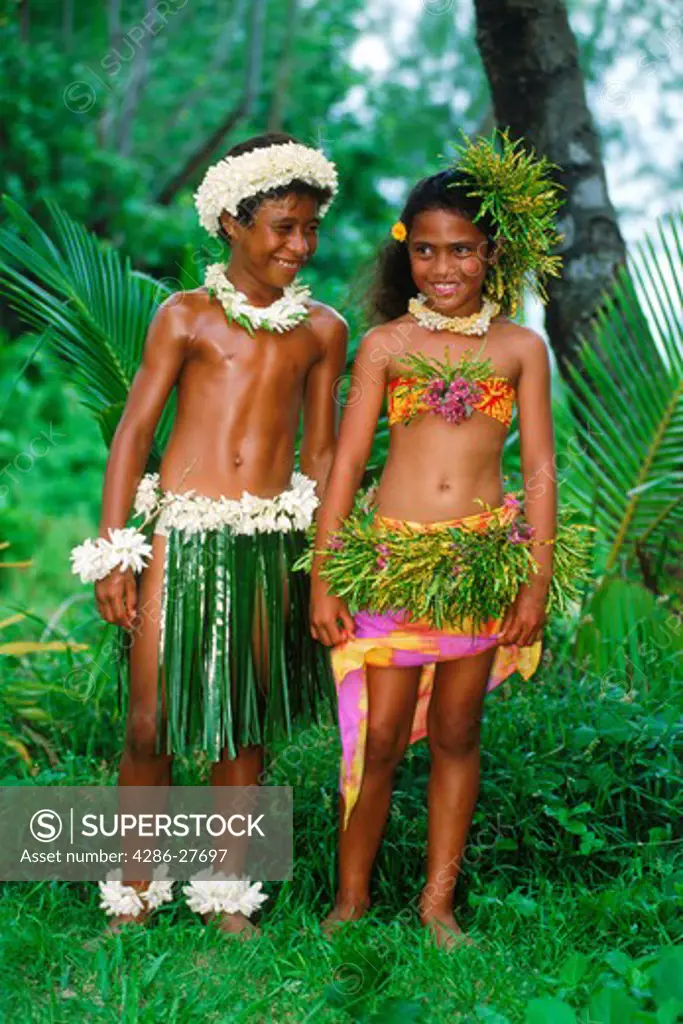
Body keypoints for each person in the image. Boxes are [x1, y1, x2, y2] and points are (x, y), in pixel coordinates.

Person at [306, 130, 592, 947]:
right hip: (393, 563)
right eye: (426, 250)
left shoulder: (517, 349)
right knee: (383, 735)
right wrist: (325, 576)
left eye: (461, 250)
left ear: (491, 251)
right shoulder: (388, 345)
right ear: (407, 255)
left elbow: (539, 468)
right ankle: (351, 899)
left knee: (459, 733)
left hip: (477, 566)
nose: (442, 268)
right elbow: (347, 462)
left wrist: (533, 579)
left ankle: (437, 903)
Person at [70, 132, 348, 935]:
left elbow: (323, 451)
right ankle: (135, 889)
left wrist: (324, 561)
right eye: (283, 227)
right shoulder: (184, 317)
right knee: (149, 718)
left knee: (244, 717)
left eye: (310, 228)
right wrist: (116, 550)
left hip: (267, 540)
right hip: (180, 537)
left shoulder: (320, 330)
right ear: (231, 221)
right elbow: (134, 435)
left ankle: (229, 895)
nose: (300, 244)